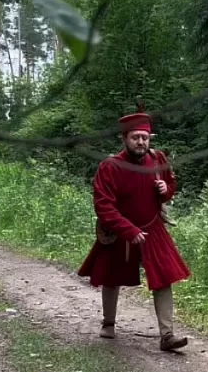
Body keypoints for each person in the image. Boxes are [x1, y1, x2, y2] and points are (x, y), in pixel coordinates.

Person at [78, 107, 190, 351]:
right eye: (135, 137)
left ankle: (167, 336)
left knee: (164, 277)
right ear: (125, 138)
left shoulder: (158, 159)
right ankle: (108, 323)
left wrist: (166, 190)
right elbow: (103, 206)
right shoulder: (110, 166)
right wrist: (128, 230)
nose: (141, 142)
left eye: (145, 137)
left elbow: (171, 184)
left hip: (153, 228)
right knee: (111, 276)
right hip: (119, 231)